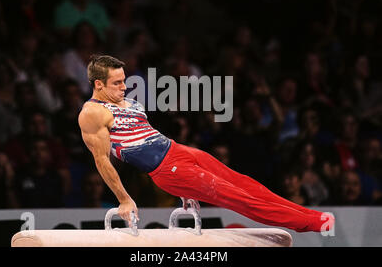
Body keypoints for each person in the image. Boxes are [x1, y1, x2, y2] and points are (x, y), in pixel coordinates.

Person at [78, 54, 335, 232]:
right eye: (117, 82)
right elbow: (101, 160)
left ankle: (310, 215)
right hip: (166, 170)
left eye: (124, 79)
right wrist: (124, 199)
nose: (125, 86)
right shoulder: (92, 113)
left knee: (246, 184)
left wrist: (186, 192)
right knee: (238, 198)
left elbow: (147, 134)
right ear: (98, 84)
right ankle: (310, 224)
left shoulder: (129, 102)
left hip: (178, 150)